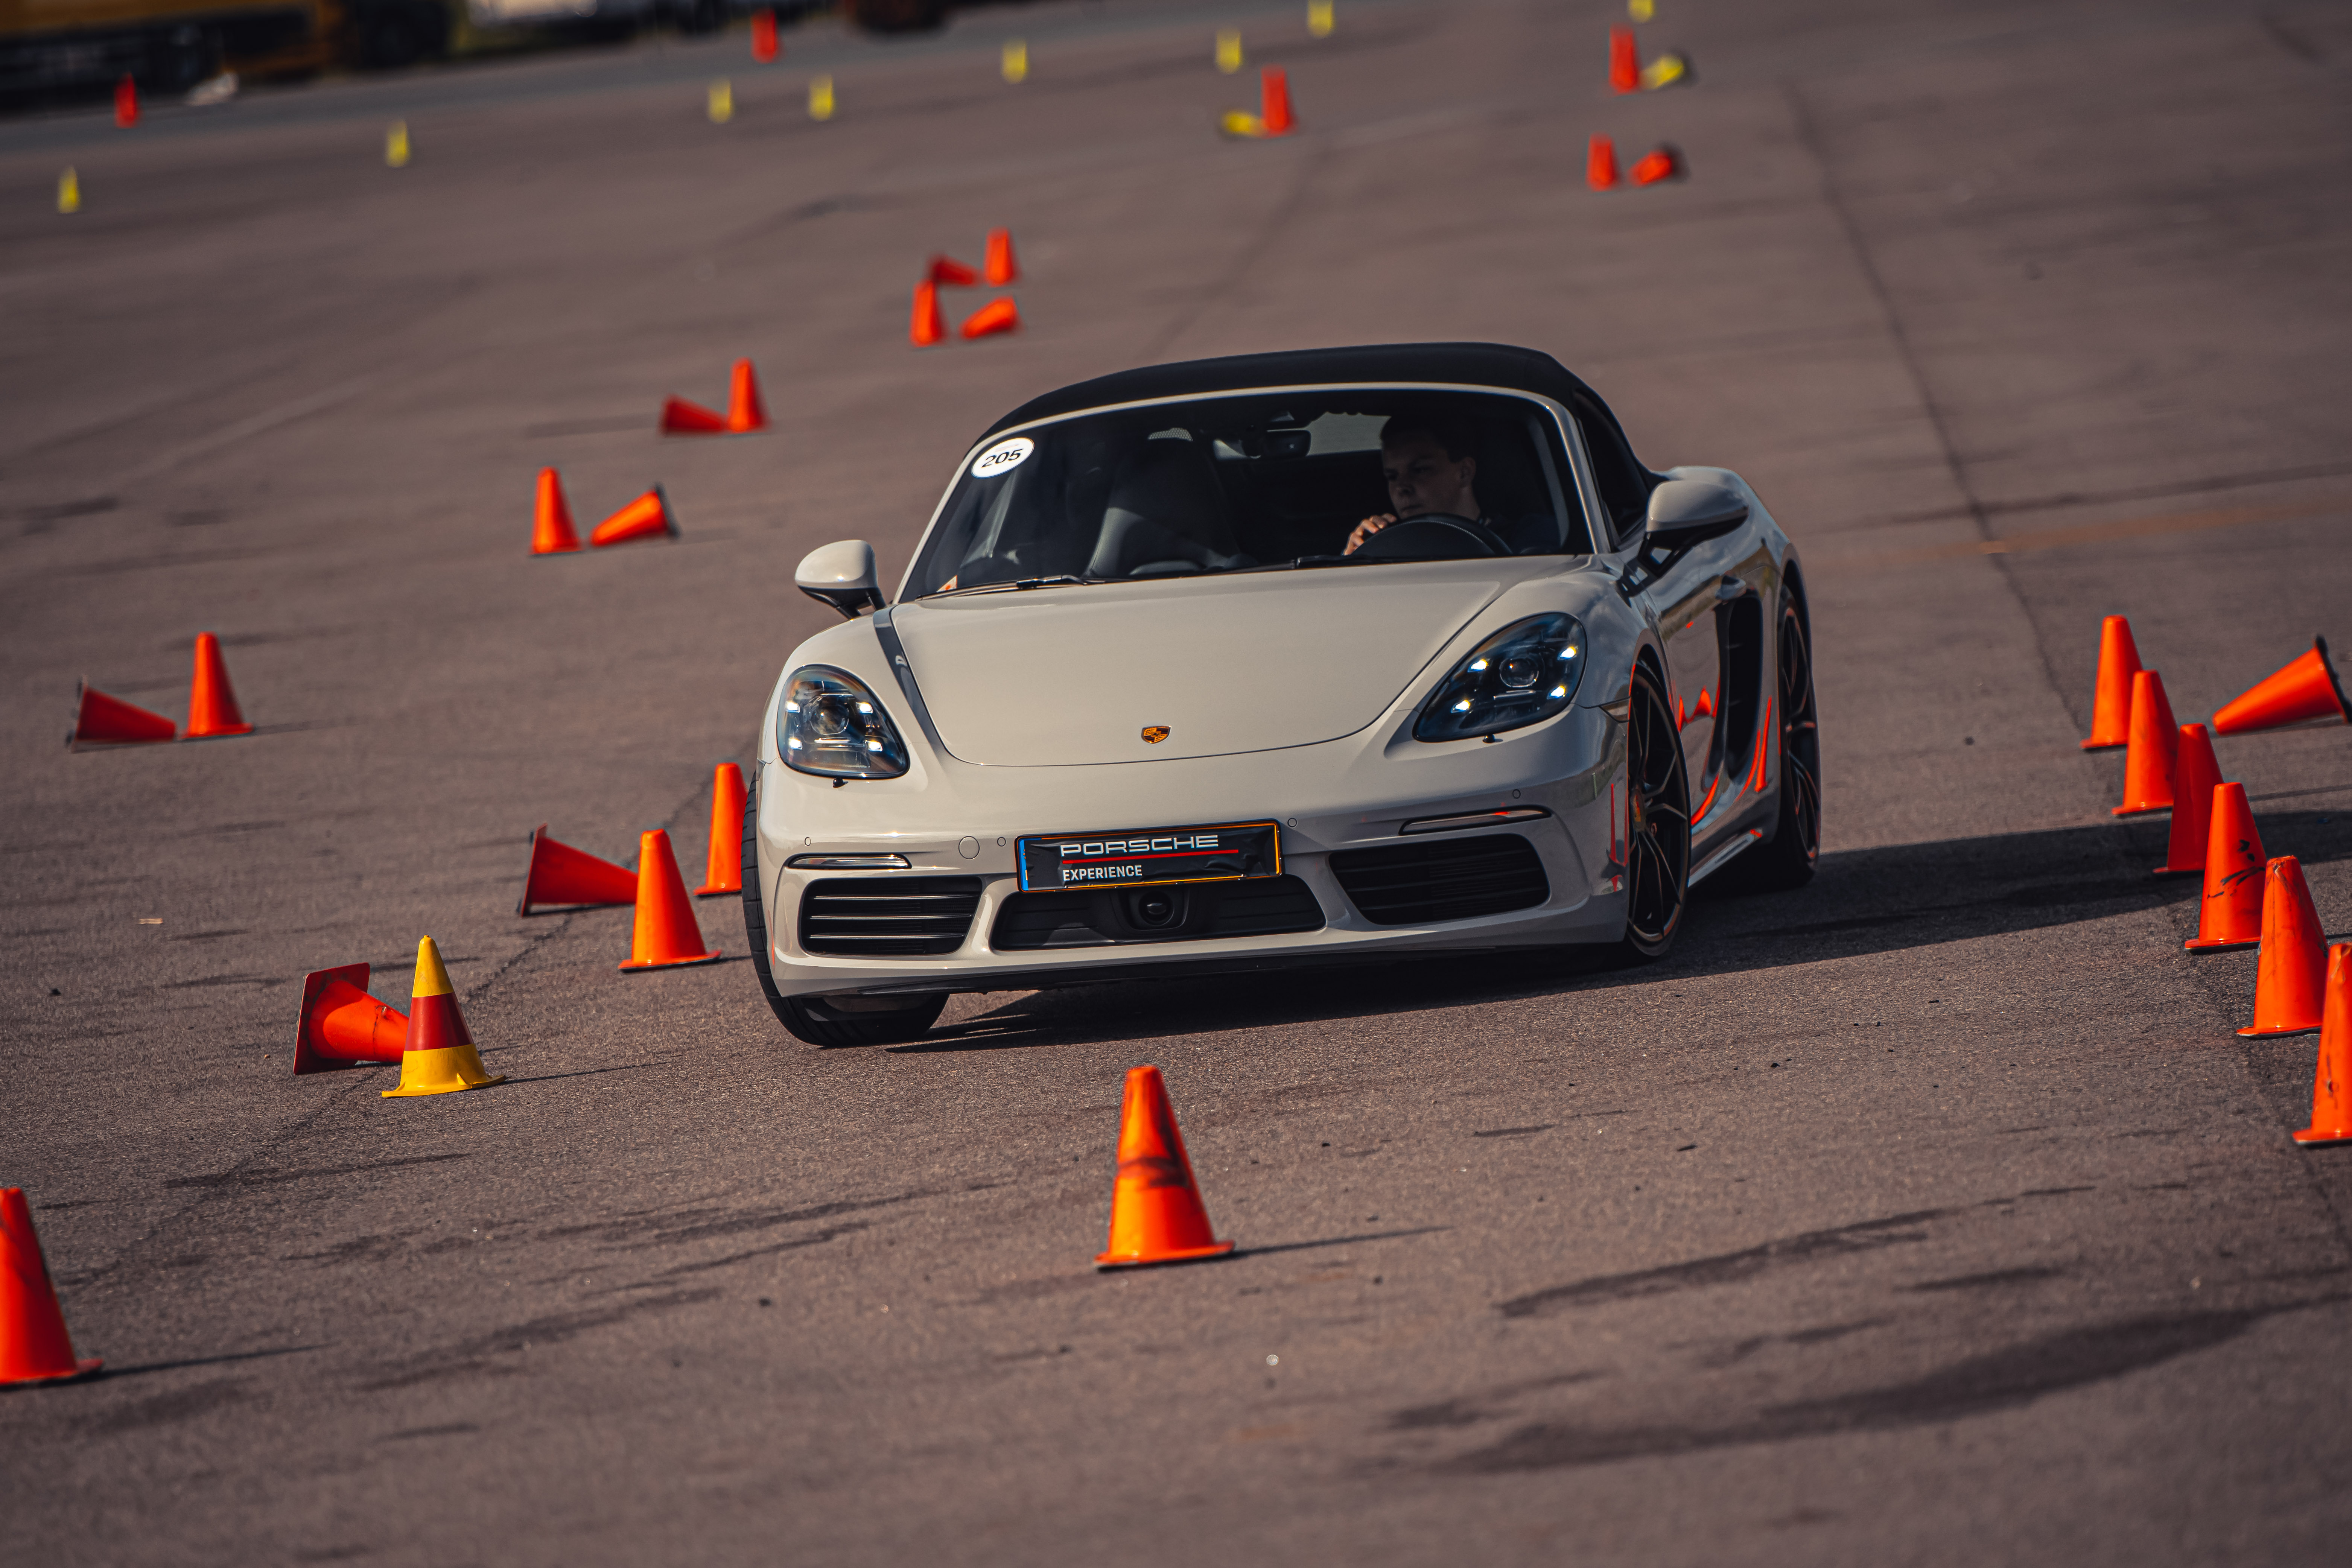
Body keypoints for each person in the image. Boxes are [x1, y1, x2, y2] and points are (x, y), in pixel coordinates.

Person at [1342, 413, 1551, 555]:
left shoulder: (1529, 539)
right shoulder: (1386, 548)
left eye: (1420, 470)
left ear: (1464, 472)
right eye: (1392, 476)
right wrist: (1355, 561)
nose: (1401, 487)